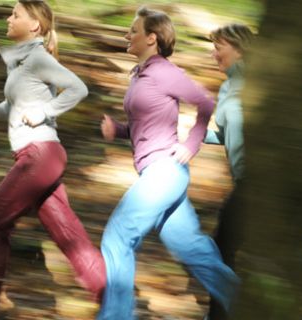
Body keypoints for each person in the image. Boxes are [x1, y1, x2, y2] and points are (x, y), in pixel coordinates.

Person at [0, 1, 106, 319]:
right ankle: (113, 302)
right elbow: (18, 108)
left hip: (40, 155)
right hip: (39, 156)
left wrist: (45, 112)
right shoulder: (21, 62)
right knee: (69, 236)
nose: (8, 18)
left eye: (16, 14)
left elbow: (78, 89)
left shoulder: (37, 57)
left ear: (34, 25)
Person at [98, 7, 239, 320]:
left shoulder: (163, 70)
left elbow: (204, 102)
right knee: (191, 248)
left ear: (152, 38)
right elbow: (145, 127)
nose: (126, 35)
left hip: (165, 171)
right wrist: (119, 130)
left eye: (133, 30)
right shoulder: (141, 74)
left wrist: (192, 143)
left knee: (117, 238)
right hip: (158, 170)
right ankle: (253, 307)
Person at [203, 23, 253, 320]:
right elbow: (224, 135)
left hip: (258, 183)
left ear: (239, 49)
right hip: (245, 182)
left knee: (219, 249)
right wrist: (191, 136)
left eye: (219, 47)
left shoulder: (258, 83)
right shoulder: (227, 87)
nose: (214, 54)